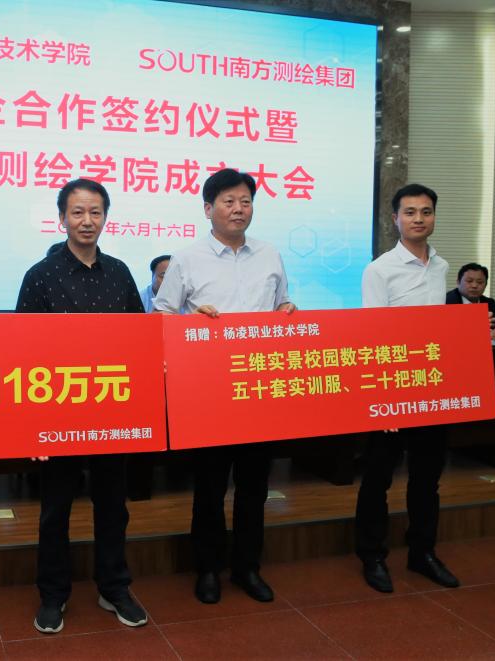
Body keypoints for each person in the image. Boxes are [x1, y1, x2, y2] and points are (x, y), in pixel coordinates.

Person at [153, 168, 295, 605]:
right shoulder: (187, 257)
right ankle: (208, 569)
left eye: (245, 201)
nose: (238, 209)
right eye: (229, 201)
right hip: (209, 393)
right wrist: (188, 322)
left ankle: (248, 568)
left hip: (258, 388)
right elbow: (161, 316)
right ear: (208, 208)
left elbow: (281, 305)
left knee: (254, 488)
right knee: (211, 488)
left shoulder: (269, 254)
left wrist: (288, 310)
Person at [15, 178, 148, 634]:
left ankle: (115, 588)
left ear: (105, 217)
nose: (87, 221)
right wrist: (32, 426)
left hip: (111, 411)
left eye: (95, 212)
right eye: (77, 212)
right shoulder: (40, 275)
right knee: (55, 510)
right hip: (58, 413)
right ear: (62, 218)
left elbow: (138, 341)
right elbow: (23, 352)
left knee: (113, 506)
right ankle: (53, 595)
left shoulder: (120, 273)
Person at [356, 183, 460, 593]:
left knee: (427, 478)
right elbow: (372, 335)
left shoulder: (441, 266)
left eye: (426, 211)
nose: (419, 219)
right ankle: (372, 556)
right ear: (395, 218)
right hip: (390, 389)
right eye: (410, 212)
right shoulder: (379, 270)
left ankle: (422, 553)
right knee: (377, 478)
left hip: (430, 389)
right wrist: (383, 399)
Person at [446, 263, 495, 340]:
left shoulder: (489, 303)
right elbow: (447, 331)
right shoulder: (446, 301)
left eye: (480, 282)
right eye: (469, 281)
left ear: (485, 285)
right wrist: (482, 333)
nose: (474, 285)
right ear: (458, 282)